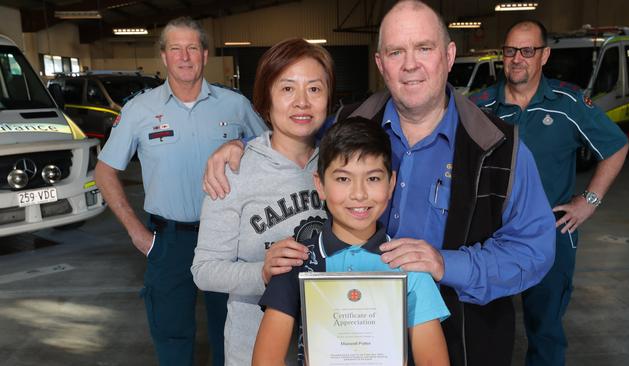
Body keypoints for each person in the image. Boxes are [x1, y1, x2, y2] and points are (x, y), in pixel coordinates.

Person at [203, 1, 556, 365]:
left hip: (464, 344)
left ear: (449, 55)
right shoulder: (347, 124)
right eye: (396, 51)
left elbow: (534, 251)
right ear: (380, 63)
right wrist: (241, 147)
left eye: (424, 48)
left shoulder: (499, 147)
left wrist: (445, 264)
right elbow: (295, 128)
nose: (410, 64)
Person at [95, 17, 267, 366]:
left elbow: (270, 151)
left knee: (234, 332)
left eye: (192, 48)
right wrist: (137, 233)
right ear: (164, 56)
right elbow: (104, 171)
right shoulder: (139, 110)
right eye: (176, 48)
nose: (185, 57)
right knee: (172, 334)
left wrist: (242, 142)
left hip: (229, 241)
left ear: (205, 55)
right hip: (169, 240)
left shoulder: (234, 105)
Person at [471, 20, 629, 366]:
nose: (517, 59)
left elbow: (616, 146)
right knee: (484, 329)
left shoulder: (567, 104)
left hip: (551, 235)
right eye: (510, 50)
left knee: (546, 332)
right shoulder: (479, 108)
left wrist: (589, 202)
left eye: (527, 51)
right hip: (491, 239)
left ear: (544, 55)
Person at [252, 117, 451, 366]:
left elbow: (433, 361)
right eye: (343, 179)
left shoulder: (408, 266)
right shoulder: (296, 261)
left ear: (391, 184)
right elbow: (266, 359)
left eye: (373, 179)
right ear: (320, 185)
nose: (359, 194)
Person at [191, 38, 333, 365]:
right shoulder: (234, 170)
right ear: (266, 98)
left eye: (314, 89)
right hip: (252, 349)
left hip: (328, 346)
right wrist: (262, 272)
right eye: (287, 89)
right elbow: (204, 270)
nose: (302, 102)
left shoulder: (340, 165)